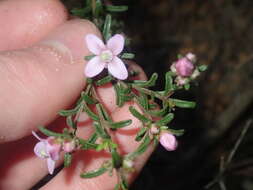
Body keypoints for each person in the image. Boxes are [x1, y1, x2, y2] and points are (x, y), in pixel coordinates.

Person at [0, 0, 153, 189]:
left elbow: (112, 63)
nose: (106, 56)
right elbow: (90, 65)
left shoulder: (111, 57)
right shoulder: (96, 57)